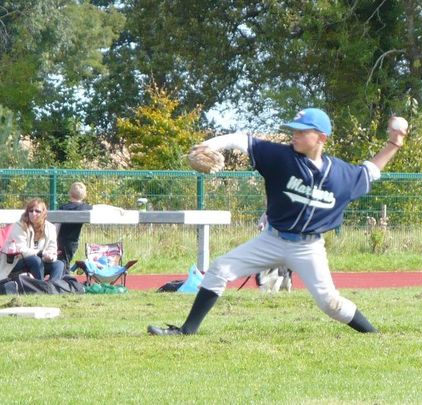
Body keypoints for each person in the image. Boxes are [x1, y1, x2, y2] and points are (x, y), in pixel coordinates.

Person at [147, 107, 408, 336]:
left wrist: (394, 143)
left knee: (330, 303)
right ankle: (186, 330)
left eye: (303, 131)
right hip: (271, 240)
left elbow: (370, 171)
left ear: (321, 138)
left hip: (309, 248)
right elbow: (241, 140)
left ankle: (374, 335)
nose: (295, 134)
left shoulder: (341, 174)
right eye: (294, 129)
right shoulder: (280, 157)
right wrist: (210, 145)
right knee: (219, 269)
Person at [0, 198, 64, 281]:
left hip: (41, 259)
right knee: (35, 260)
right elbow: (22, 250)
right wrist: (41, 253)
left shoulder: (50, 228)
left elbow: (52, 248)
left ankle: (53, 289)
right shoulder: (19, 226)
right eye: (31, 211)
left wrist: (51, 256)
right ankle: (39, 288)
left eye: (37, 211)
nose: (34, 213)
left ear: (43, 213)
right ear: (27, 212)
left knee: (59, 264)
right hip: (15, 262)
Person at [56, 181, 92, 268]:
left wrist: (54, 239)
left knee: (62, 261)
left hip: (61, 239)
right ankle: (65, 278)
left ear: (69, 193)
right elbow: (101, 207)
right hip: (73, 241)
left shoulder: (63, 208)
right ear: (84, 195)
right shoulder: (85, 208)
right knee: (65, 262)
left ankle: (63, 277)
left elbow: (57, 225)